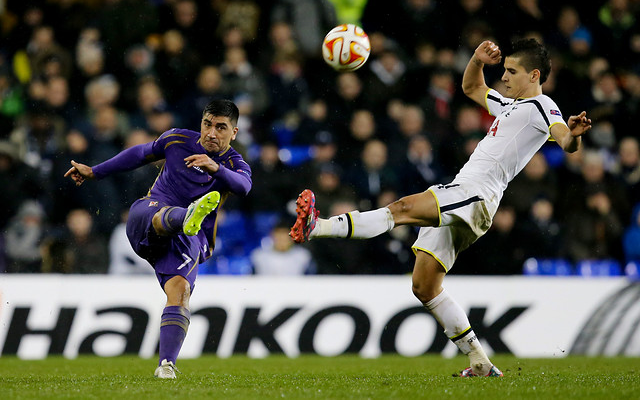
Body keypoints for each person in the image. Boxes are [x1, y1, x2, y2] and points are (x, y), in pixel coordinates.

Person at [290, 38, 592, 377]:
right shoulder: (508, 105)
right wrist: (477, 59)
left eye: (511, 71)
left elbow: (564, 138)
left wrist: (575, 135)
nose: (504, 77)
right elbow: (471, 87)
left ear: (534, 75)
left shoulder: (541, 105)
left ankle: (318, 227)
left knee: (402, 208)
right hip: (469, 198)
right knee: (424, 286)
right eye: (503, 69)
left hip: (476, 194)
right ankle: (479, 362)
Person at [64, 99, 252, 378]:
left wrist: (215, 168)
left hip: (187, 240)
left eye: (221, 127)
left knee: (180, 292)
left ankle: (166, 365)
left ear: (233, 133)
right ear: (201, 122)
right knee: (162, 215)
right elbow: (139, 154)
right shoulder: (177, 139)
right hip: (148, 216)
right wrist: (95, 171)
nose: (211, 132)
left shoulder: (234, 163)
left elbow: (244, 186)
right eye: (207, 124)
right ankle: (184, 217)